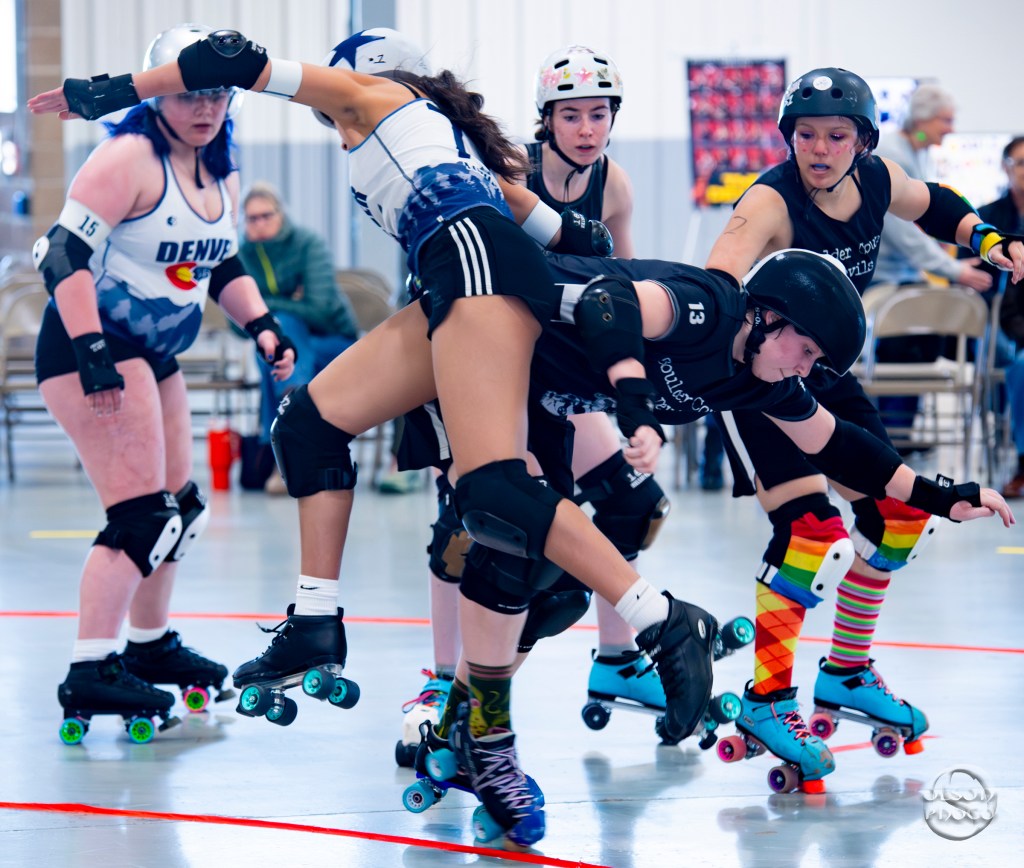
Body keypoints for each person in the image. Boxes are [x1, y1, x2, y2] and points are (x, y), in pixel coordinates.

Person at [31, 28, 720, 846]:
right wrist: (579, 259)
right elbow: (574, 239)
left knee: (496, 498)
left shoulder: (375, 98)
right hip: (455, 285)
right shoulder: (455, 142)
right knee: (308, 427)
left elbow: (231, 58)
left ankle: (657, 617)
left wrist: (108, 92)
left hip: (472, 275)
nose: (330, 119)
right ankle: (321, 622)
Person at [399, 247, 1013, 795]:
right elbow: (608, 301)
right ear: (771, 316)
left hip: (540, 395)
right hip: (477, 331)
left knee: (553, 592)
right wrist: (636, 403)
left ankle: (461, 727)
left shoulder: (761, 381)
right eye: (806, 351)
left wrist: (939, 496)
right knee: (514, 549)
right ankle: (470, 728)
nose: (805, 369)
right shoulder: (711, 307)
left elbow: (838, 445)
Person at [703, 67, 1024, 782]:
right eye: (806, 135)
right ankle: (766, 699)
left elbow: (935, 204)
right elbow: (719, 278)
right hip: (759, 380)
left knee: (900, 516)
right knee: (811, 532)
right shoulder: (770, 200)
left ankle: (846, 673)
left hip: (824, 370)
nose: (819, 149)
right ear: (789, 138)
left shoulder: (876, 181)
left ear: (863, 142)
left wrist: (989, 238)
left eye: (836, 136)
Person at [395, 44, 686, 766]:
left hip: (556, 364)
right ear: (546, 120)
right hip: (484, 362)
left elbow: (623, 289)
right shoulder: (509, 174)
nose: (586, 129)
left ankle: (617, 660)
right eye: (571, 115)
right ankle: (441, 683)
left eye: (598, 115)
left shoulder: (614, 185)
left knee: (631, 502)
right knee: (475, 525)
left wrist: (636, 401)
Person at [29, 23, 296, 743]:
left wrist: (263, 325)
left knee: (181, 509)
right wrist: (91, 351)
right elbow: (60, 256)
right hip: (92, 348)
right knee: (142, 516)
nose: (205, 107)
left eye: (217, 94)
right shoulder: (128, 158)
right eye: (187, 94)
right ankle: (91, 666)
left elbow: (222, 264)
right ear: (157, 95)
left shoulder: (219, 169)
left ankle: (148, 645)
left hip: (153, 351)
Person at [871, 84, 992, 440]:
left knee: (926, 342)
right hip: (882, 279)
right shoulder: (892, 153)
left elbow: (927, 220)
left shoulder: (919, 152)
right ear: (922, 119)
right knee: (907, 345)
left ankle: (902, 434)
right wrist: (953, 270)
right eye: (945, 120)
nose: (951, 129)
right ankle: (892, 434)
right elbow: (900, 230)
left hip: (905, 275)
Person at [236, 181, 358, 492]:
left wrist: (263, 309)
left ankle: (282, 456)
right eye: (252, 218)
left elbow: (320, 308)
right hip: (292, 350)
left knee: (278, 335)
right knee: (274, 344)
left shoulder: (308, 244)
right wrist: (284, 305)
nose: (260, 223)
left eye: (266, 215)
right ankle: (297, 436)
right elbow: (235, 323)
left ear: (281, 214)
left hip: (335, 342)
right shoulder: (242, 256)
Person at [965, 135, 1024, 497]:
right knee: (1014, 362)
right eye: (1020, 163)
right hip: (998, 316)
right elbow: (968, 270)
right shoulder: (987, 217)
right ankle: (1022, 459)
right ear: (1005, 167)